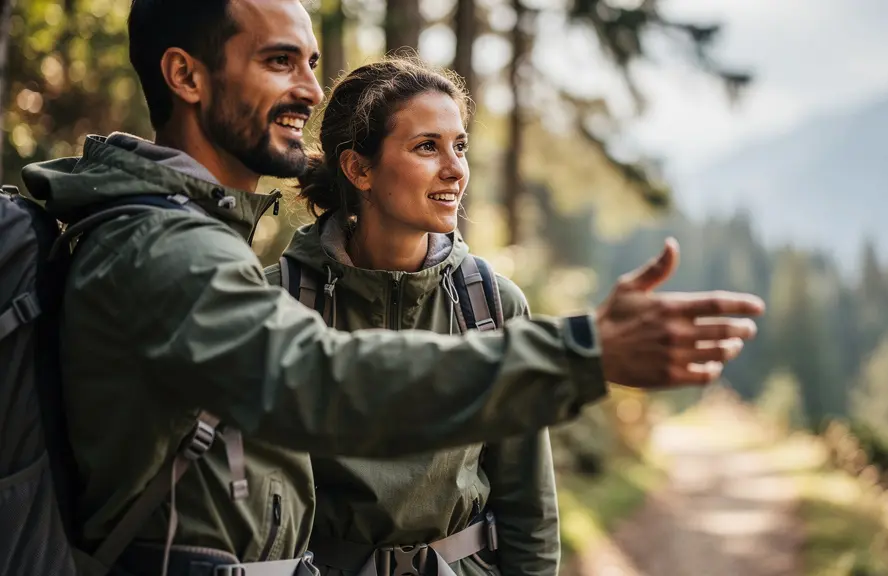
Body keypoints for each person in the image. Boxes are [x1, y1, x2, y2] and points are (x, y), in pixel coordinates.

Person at [16, 0, 764, 574]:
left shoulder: (205, 243)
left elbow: (521, 504)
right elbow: (324, 383)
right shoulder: (167, 252)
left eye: (312, 62)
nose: (311, 88)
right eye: (281, 62)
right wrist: (582, 352)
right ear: (185, 76)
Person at [263, 57, 565, 576]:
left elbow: (529, 508)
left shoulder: (493, 307)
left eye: (460, 145)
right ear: (358, 169)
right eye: (428, 146)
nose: (455, 169)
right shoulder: (277, 304)